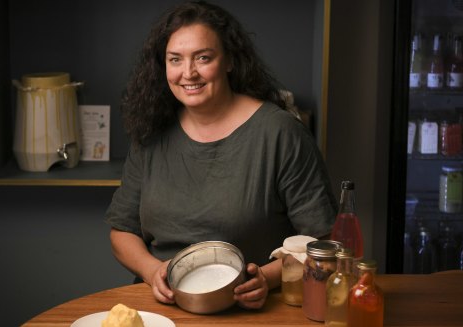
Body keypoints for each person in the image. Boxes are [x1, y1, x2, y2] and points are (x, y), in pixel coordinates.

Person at [105, 0, 337, 310]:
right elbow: (122, 231)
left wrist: (265, 279)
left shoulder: (280, 132)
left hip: (253, 309)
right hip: (162, 306)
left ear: (228, 60)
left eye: (203, 58)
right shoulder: (152, 131)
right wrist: (151, 270)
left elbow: (324, 242)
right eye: (175, 59)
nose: (188, 73)